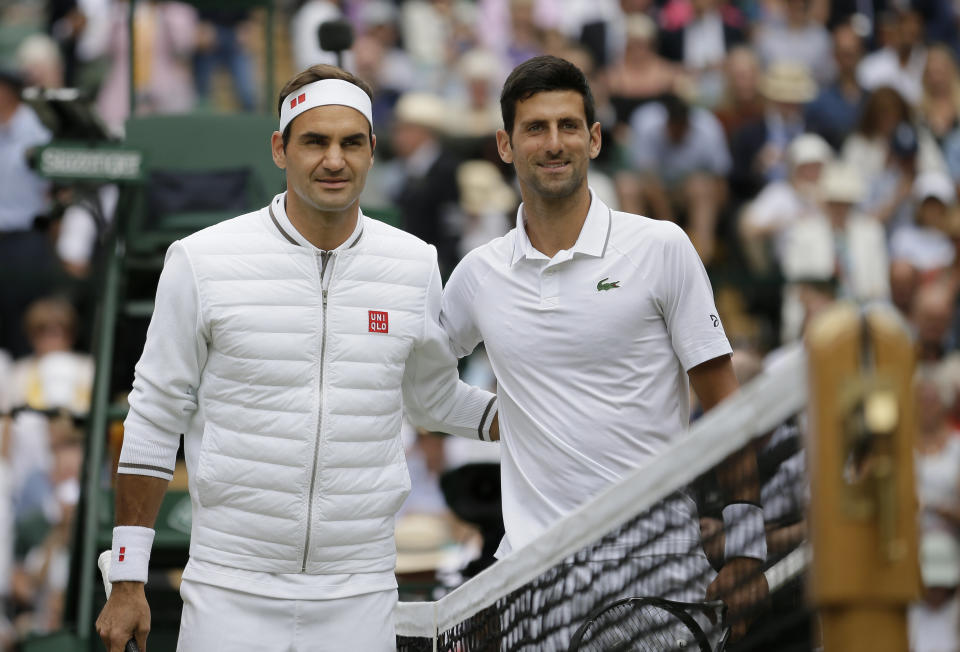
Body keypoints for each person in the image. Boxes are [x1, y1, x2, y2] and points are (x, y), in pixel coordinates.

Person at [95, 64, 499, 652]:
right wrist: (128, 577)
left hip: (360, 593)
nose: (334, 159)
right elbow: (155, 418)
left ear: (372, 151)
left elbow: (432, 398)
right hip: (228, 590)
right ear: (281, 149)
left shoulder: (414, 264)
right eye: (315, 141)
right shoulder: (201, 260)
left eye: (350, 142)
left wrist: (532, 413)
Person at [440, 55, 767, 641]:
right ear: (505, 146)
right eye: (535, 128)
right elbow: (422, 384)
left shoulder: (663, 247)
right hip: (528, 585)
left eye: (568, 126)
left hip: (657, 576)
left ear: (593, 139)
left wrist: (746, 548)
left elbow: (728, 407)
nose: (554, 143)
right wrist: (493, 417)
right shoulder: (477, 275)